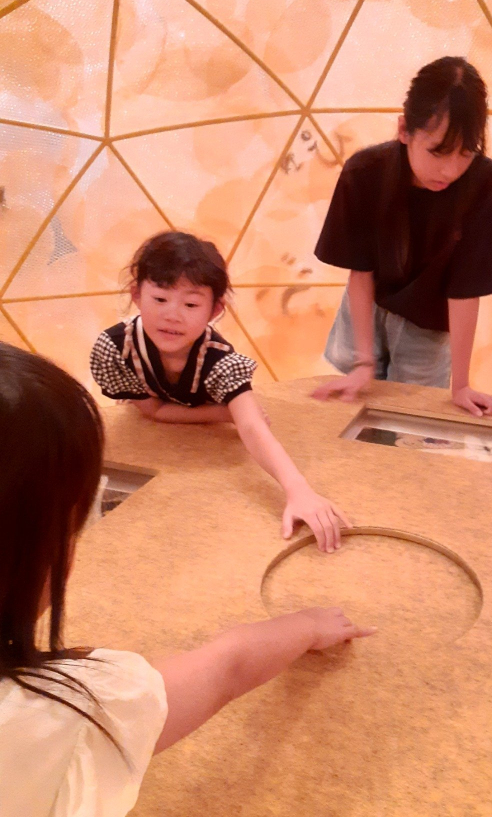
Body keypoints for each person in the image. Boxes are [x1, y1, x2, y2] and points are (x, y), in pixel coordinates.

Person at [0, 342, 375, 817]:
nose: (172, 314)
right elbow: (224, 668)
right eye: (72, 526)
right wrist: (309, 625)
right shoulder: (65, 715)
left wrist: (293, 483)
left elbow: (245, 421)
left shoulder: (220, 362)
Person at [90, 231, 348, 553]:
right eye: (159, 299)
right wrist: (223, 414)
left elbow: (252, 426)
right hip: (155, 450)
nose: (172, 315)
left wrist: (299, 490)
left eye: (191, 304)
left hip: (213, 457)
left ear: (214, 310)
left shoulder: (219, 361)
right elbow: (151, 411)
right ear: (137, 295)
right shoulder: (115, 348)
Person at [313, 56, 492, 418]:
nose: (450, 169)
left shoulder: (484, 183)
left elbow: (465, 289)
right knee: (350, 410)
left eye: (465, 153)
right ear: (404, 130)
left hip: (429, 320)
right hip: (367, 302)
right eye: (438, 151)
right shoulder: (365, 172)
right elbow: (361, 272)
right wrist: (363, 362)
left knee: (409, 418)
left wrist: (461, 385)